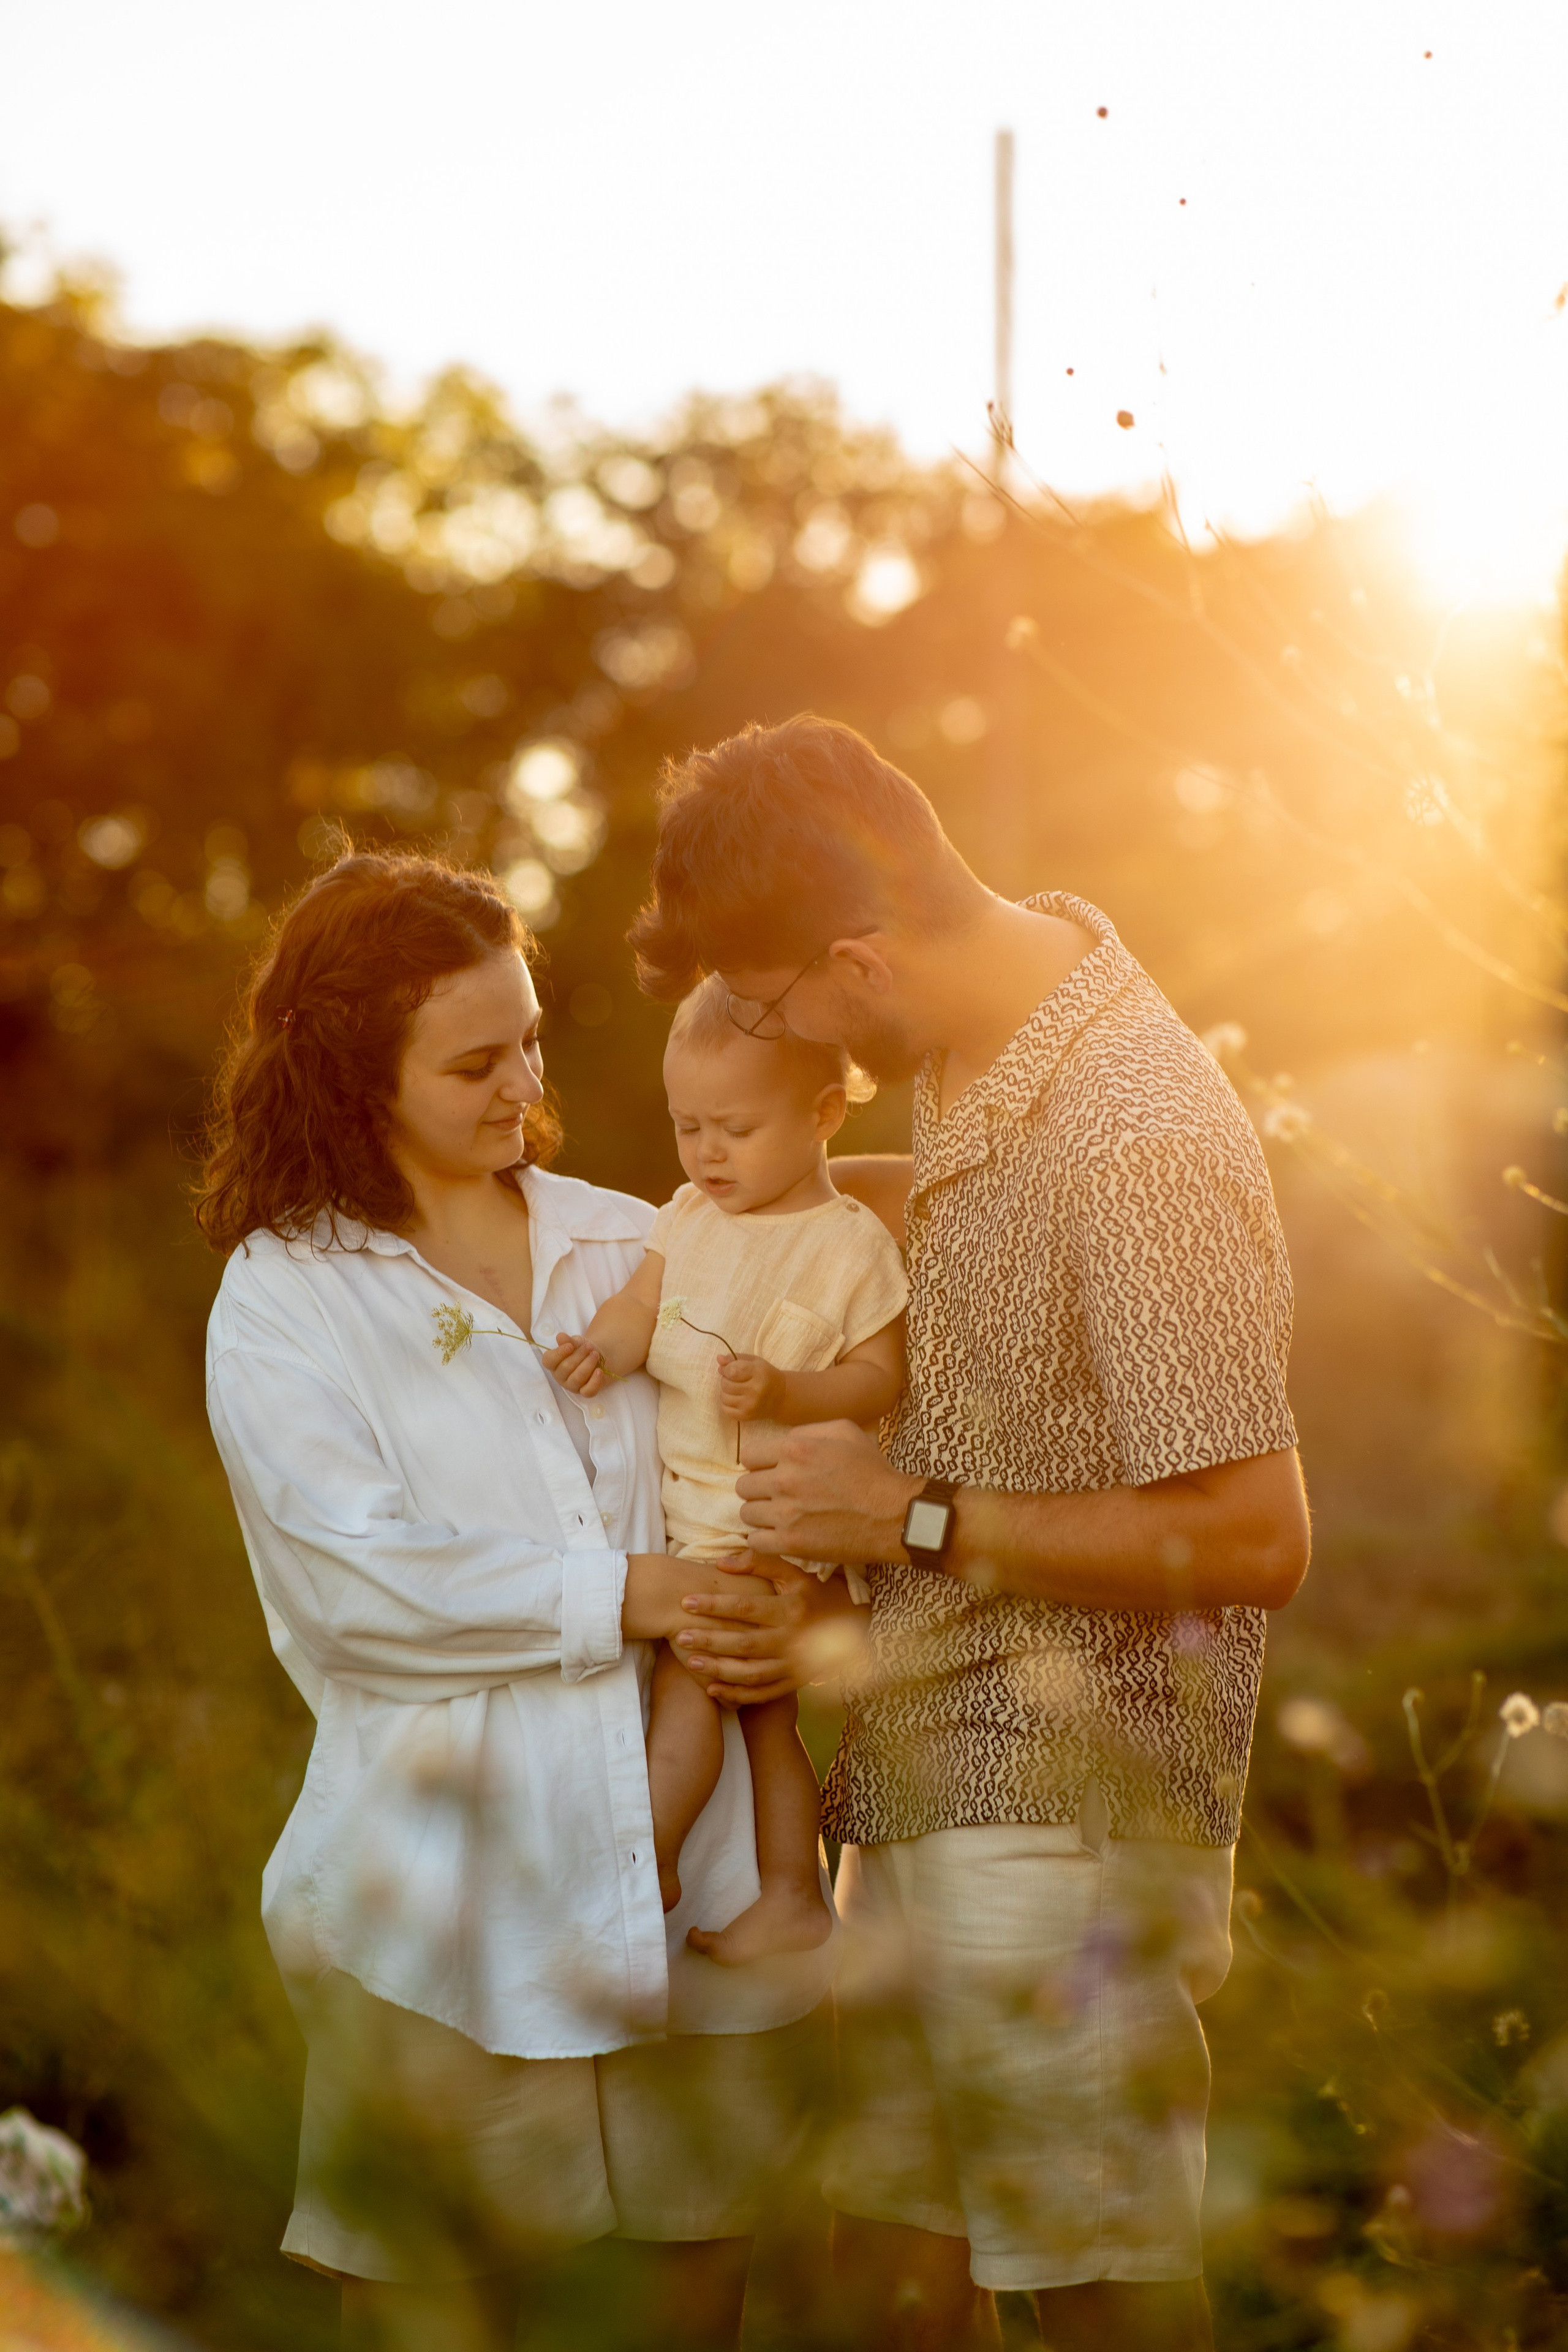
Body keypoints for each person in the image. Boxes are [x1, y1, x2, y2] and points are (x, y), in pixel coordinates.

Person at [627, 715, 1312, 2352]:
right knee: (889, 2278)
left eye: (772, 1009)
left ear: (857, 964)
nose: (770, 1041)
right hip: (922, 1774)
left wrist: (905, 1516)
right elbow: (910, 1213)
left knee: (1093, 2285)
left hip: (1071, 1814)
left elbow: (1254, 1534)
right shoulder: (972, 1045)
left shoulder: (1138, 1134)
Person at [195, 851, 838, 2352]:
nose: (524, 1085)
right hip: (449, 1905)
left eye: (530, 1040)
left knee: (689, 2308)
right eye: (474, 1062)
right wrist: (637, 1592)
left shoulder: (639, 1242)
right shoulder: (289, 1296)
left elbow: (782, 1384)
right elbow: (355, 1584)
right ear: (352, 1073)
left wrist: (779, 1604)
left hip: (692, 1891)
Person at [545, 974, 907, 1966]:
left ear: (824, 1114)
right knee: (765, 1717)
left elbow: (881, 1376)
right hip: (695, 1517)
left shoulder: (848, 1247)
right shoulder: (688, 1218)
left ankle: (647, 1864)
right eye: (687, 1127)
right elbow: (640, 1308)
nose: (707, 1153)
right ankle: (790, 1893)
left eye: (735, 1130)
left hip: (774, 1520)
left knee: (694, 1684)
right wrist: (603, 1350)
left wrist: (792, 1390)